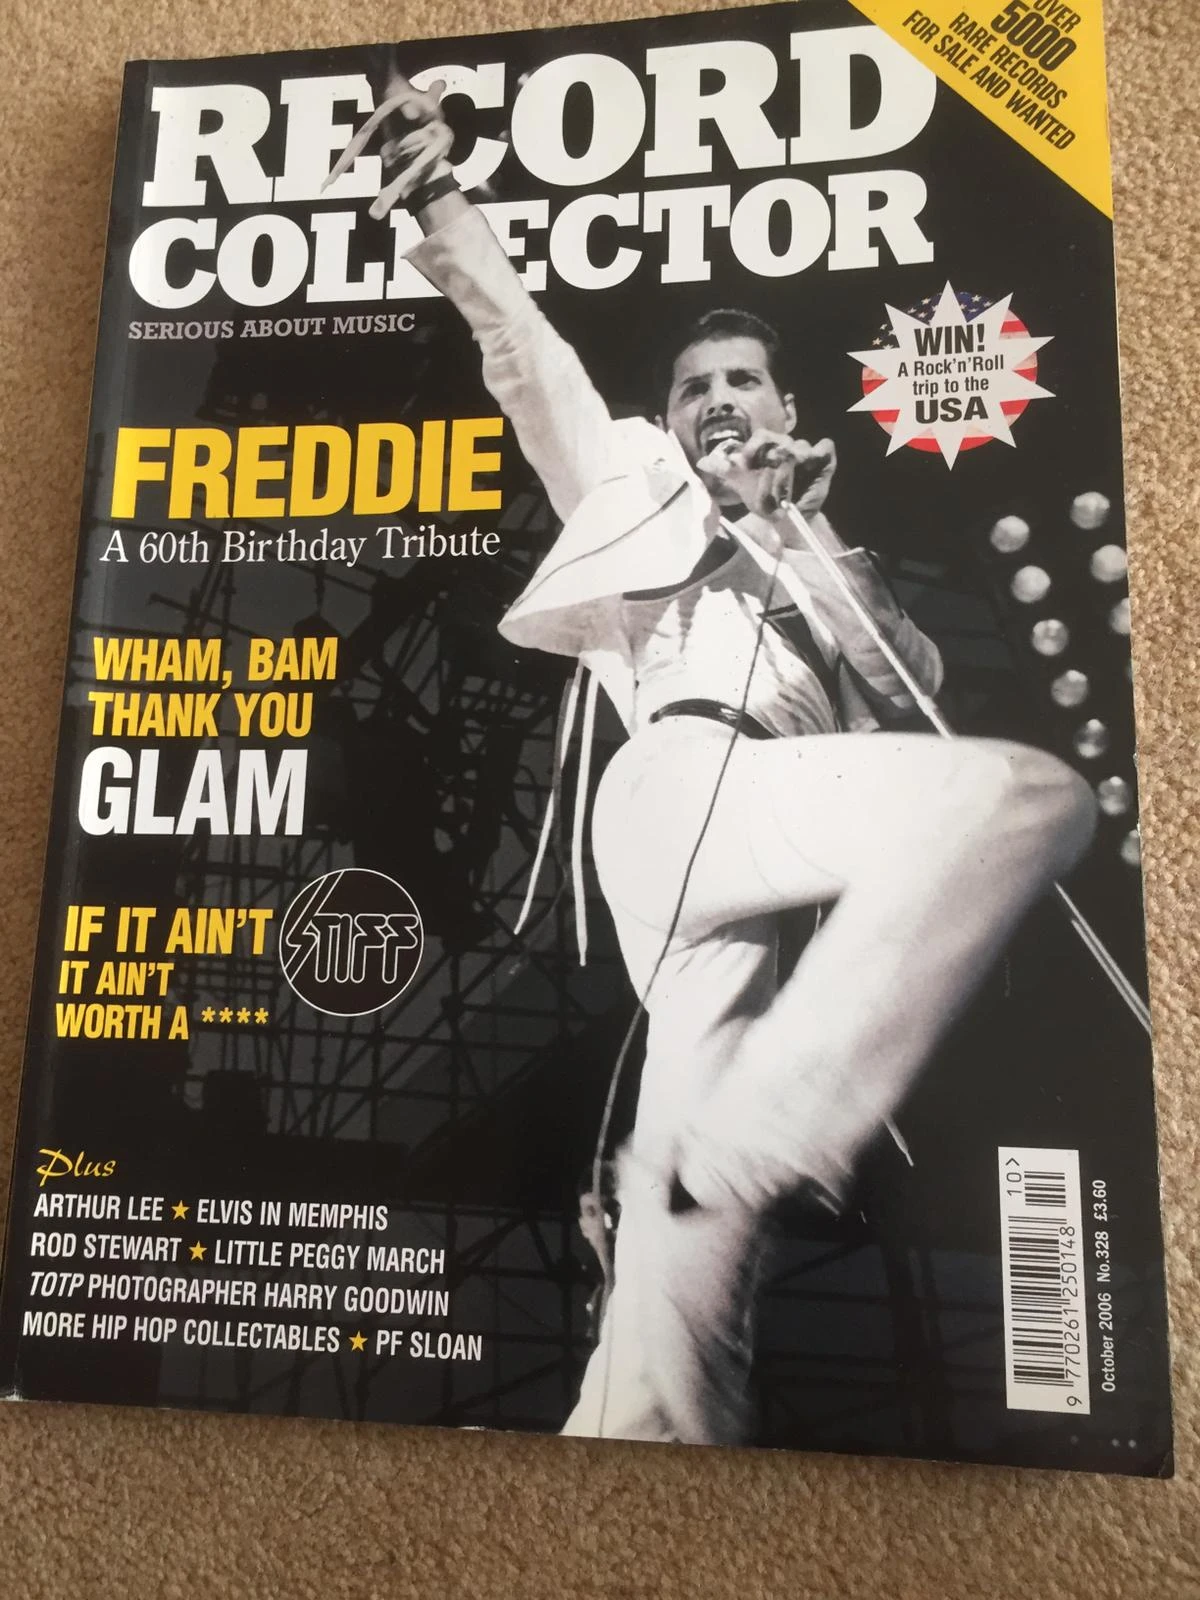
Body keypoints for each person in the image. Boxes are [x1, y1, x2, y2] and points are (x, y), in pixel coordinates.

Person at [331, 80, 1098, 1444]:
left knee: (685, 1291)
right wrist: (441, 195)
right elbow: (523, 348)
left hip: (761, 866)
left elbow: (909, 693)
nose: (718, 402)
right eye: (696, 388)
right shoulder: (629, 483)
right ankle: (778, 1128)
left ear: (787, 404)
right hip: (678, 786)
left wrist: (806, 535)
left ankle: (622, 1439)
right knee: (1023, 795)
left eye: (743, 381)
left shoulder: (824, 549)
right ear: (669, 417)